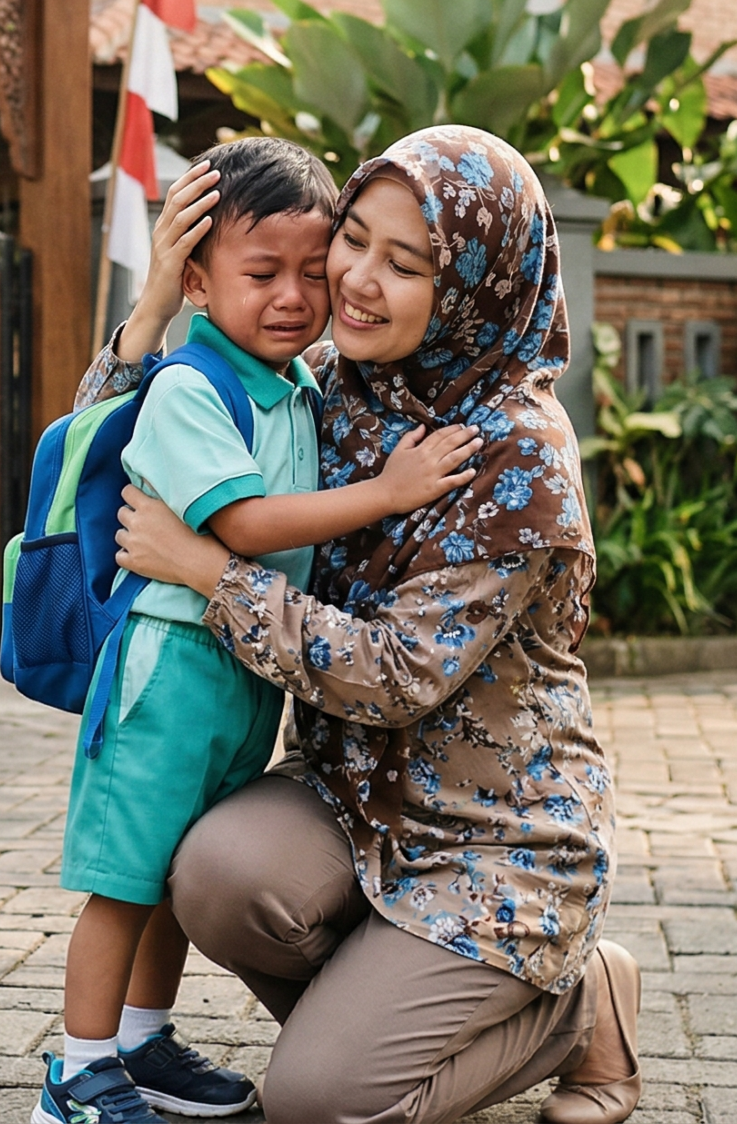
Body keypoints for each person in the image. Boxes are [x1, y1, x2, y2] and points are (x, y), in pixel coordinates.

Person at [90, 127, 640, 1124]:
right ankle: (393, 1012)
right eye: (353, 239)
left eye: (406, 262)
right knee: (211, 872)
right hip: (353, 797)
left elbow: (394, 675)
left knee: (314, 1102)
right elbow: (117, 453)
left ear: (472, 283)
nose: (353, 280)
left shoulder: (516, 452)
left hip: (492, 838)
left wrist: (209, 572)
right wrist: (155, 306)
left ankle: (578, 1007)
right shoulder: (336, 388)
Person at [39, 139, 486, 1124]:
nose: (293, 295)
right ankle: (74, 1075)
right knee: (122, 880)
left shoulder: (297, 383)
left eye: (307, 270)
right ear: (195, 280)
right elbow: (241, 525)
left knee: (168, 866)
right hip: (173, 663)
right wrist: (386, 491)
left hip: (239, 668)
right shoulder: (190, 386)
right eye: (260, 274)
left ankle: (141, 1043)